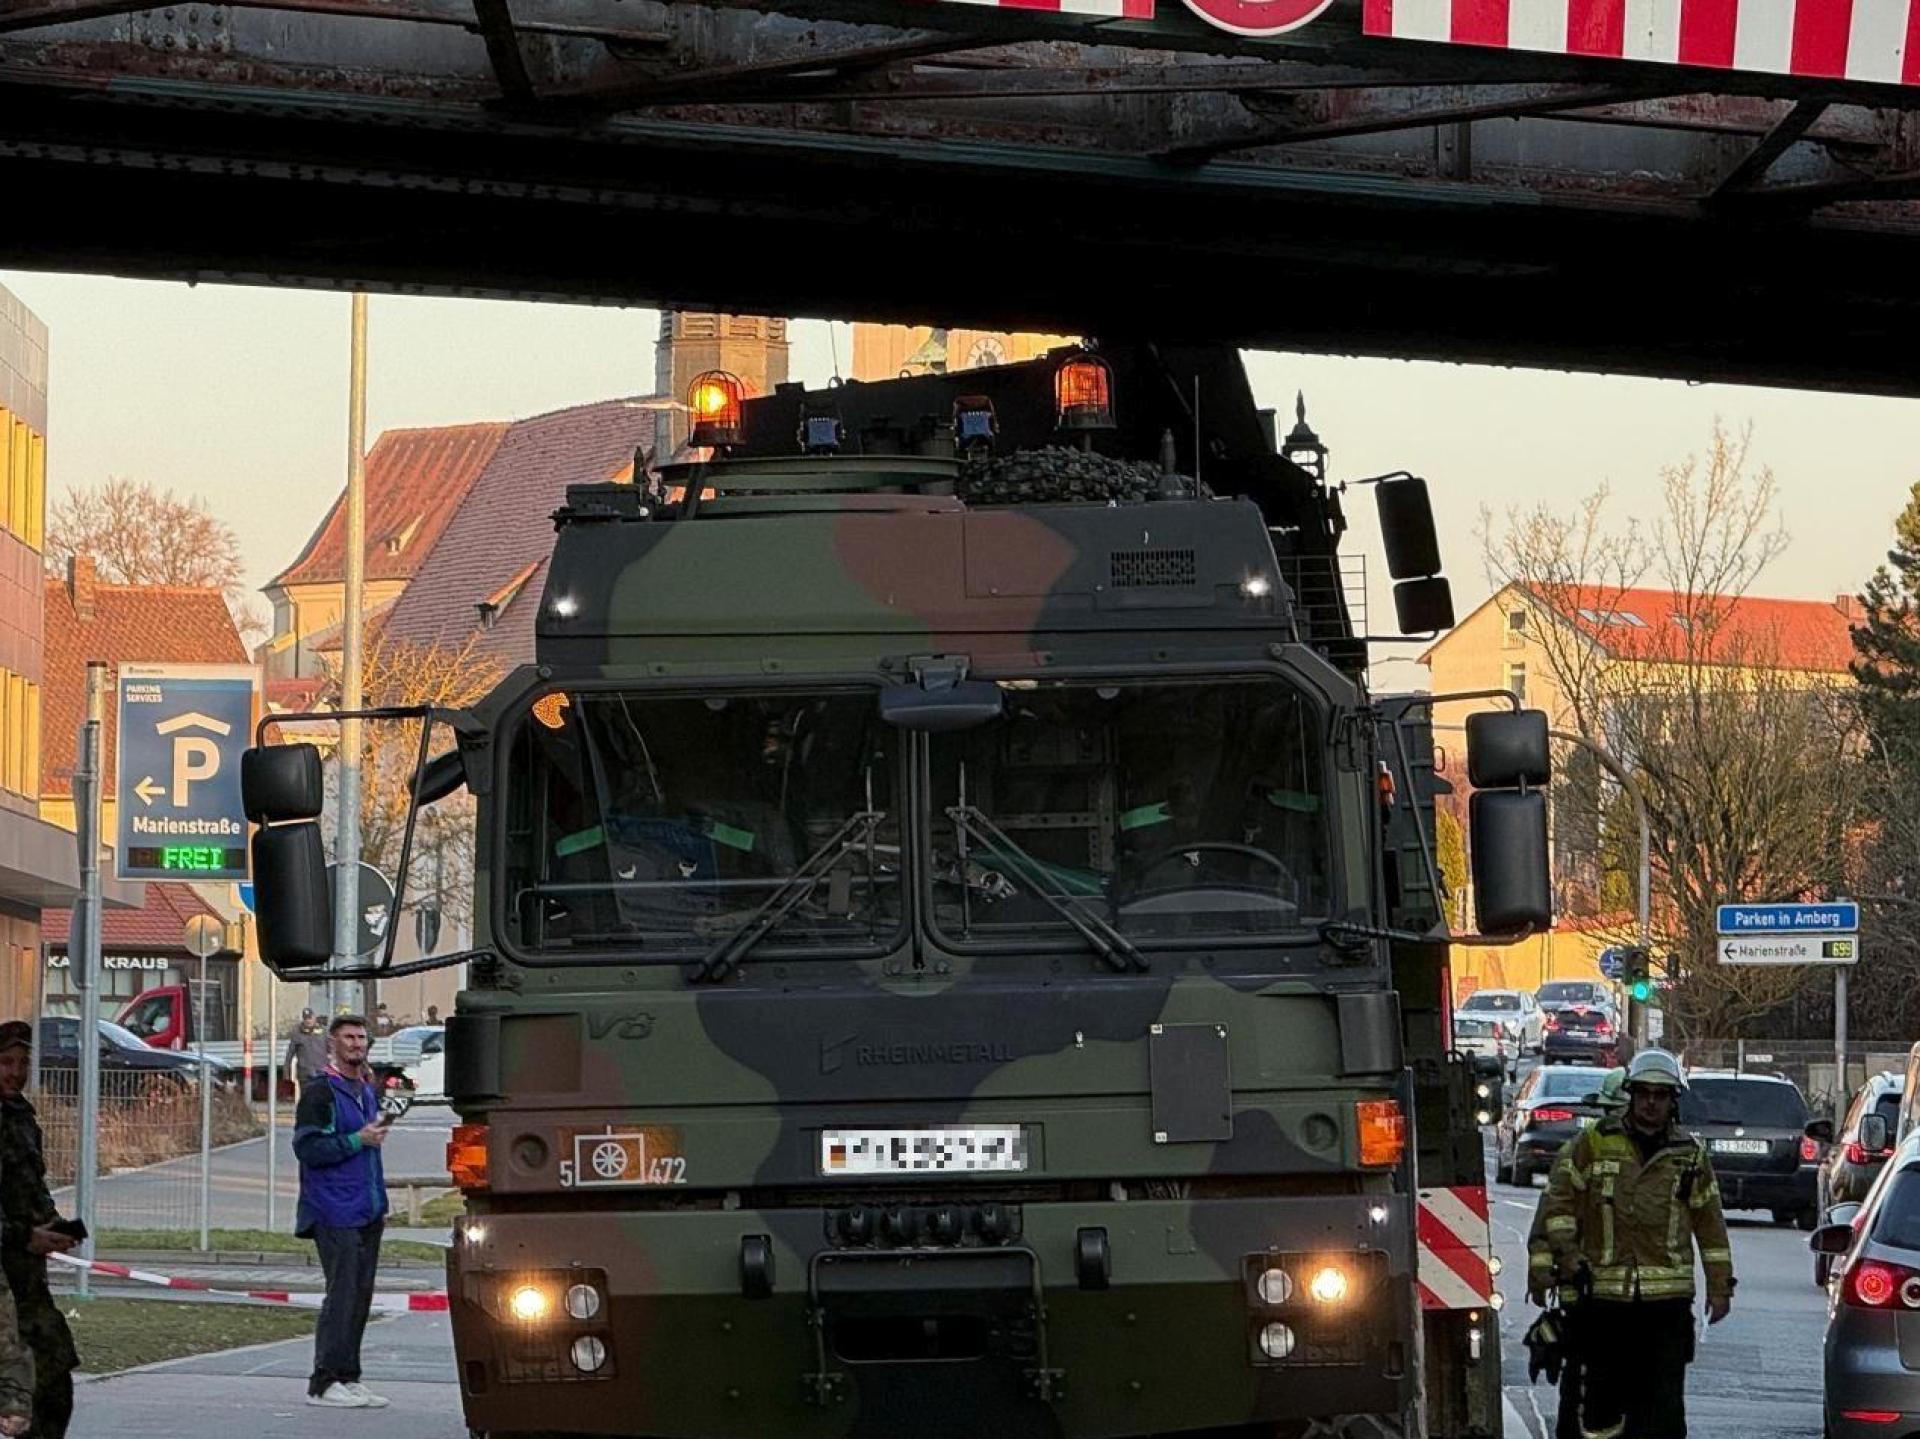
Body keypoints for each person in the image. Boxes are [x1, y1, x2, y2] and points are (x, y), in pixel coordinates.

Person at [1530, 1048, 1733, 1439]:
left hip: (1666, 1309)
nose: (1651, 1103)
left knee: (1662, 1415)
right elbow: (1558, 1202)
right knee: (1597, 1412)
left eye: (1660, 1095)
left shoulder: (1689, 1156)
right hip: (1603, 1303)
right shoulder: (1595, 1143)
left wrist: (1720, 1286)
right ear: (1632, 1095)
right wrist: (1566, 1257)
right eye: (1643, 1094)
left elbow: (1710, 1225)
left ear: (1672, 1101)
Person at [293, 1015, 391, 1410]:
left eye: (361, 1038)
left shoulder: (364, 1089)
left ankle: (349, 1377)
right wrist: (357, 1139)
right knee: (342, 1295)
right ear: (332, 1044)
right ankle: (324, 1381)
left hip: (367, 1209)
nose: (356, 1044)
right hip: (332, 1209)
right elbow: (308, 1148)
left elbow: (367, 1150)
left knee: (360, 1298)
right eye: (349, 1038)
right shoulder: (321, 1093)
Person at [1527, 1067, 1628, 1439]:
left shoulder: (1662, 1158)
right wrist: (1545, 1272)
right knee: (1582, 1384)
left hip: (1640, 1300)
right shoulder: (1582, 1152)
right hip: (1586, 1294)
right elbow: (1550, 1217)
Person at [0, 1021, 76, 1438]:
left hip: (25, 1281)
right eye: (6, 1062)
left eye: (22, 1063)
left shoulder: (21, 1117)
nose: (15, 1072)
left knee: (52, 1385)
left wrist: (53, 1225)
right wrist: (23, 1236)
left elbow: (32, 1185)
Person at [284, 1009, 328, 1088]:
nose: (308, 1021)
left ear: (314, 1017)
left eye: (310, 1018)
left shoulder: (323, 1032)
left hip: (321, 1073)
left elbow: (333, 1050)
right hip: (305, 1075)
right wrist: (286, 1072)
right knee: (307, 1098)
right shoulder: (297, 1033)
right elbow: (290, 1054)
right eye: (306, 1019)